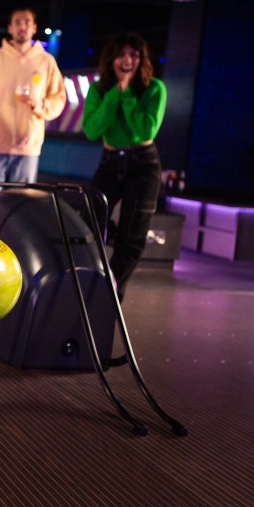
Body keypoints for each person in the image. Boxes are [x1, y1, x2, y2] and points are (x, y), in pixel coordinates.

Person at [81, 32, 167, 310]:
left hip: (143, 164)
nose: (127, 60)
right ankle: (103, 271)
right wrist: (114, 96)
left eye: (134, 54)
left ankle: (110, 296)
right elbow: (92, 129)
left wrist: (128, 94)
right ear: (112, 59)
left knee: (133, 237)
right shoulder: (99, 89)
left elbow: (145, 129)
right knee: (89, 219)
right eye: (121, 54)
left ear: (142, 60)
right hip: (110, 162)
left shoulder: (154, 88)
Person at [0, 7, 65, 186]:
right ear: (10, 28)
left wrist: (39, 104)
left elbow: (58, 98)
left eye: (27, 22)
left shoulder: (46, 62)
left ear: (34, 27)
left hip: (28, 147)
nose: (22, 26)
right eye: (17, 22)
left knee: (21, 203)